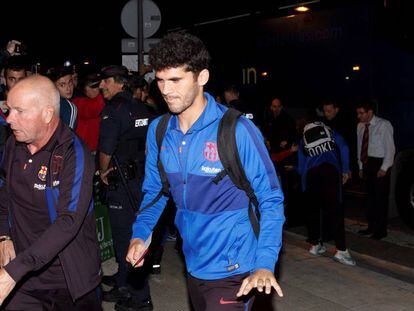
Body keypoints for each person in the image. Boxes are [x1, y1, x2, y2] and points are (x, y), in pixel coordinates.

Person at [127, 32, 284, 311]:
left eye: (175, 80)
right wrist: (141, 234)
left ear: (202, 78)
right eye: (160, 80)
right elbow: (155, 192)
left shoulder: (236, 130)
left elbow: (270, 199)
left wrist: (264, 263)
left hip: (236, 269)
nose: (165, 90)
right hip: (193, 263)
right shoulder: (159, 131)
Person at [0, 75, 101, 309]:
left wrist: (13, 272)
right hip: (25, 281)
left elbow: (68, 221)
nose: (9, 119)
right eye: (8, 109)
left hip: (67, 283)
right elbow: (5, 194)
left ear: (47, 114)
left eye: (19, 111)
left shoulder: (74, 154)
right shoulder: (14, 144)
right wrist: (4, 235)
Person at [97, 65, 153, 310]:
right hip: (141, 181)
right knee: (138, 233)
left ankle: (138, 298)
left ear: (118, 82)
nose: (101, 86)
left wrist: (103, 173)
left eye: (105, 82)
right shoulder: (145, 109)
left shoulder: (114, 110)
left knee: (125, 240)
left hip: (121, 183)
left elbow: (106, 149)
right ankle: (123, 285)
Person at [297, 119, 355, 266]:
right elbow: (344, 148)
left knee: (314, 211)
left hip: (312, 175)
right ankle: (341, 250)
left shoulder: (303, 139)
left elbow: (302, 166)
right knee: (335, 211)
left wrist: (304, 186)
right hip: (330, 172)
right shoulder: (331, 132)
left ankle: (315, 245)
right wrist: (346, 169)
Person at [356, 100, 395, 240]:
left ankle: (381, 230)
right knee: (368, 198)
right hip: (367, 162)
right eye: (358, 113)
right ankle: (371, 226)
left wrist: (384, 168)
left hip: (379, 163)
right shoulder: (360, 126)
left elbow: (390, 148)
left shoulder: (383, 125)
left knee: (380, 199)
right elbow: (360, 147)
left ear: (370, 112)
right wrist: (361, 166)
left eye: (361, 113)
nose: (358, 116)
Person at [72, 73, 105, 152]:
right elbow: (94, 110)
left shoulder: (77, 101)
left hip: (90, 148)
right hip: (84, 149)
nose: (99, 89)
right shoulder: (79, 102)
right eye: (95, 86)